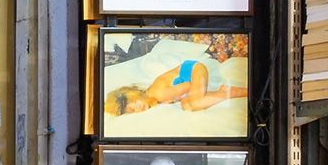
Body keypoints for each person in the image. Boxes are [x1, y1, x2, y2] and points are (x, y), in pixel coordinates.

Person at [104, 55, 248, 118]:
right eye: (131, 110)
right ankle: (222, 91)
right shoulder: (152, 96)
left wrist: (174, 98)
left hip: (194, 69)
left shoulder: (158, 94)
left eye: (134, 102)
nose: (138, 108)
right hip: (189, 72)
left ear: (136, 94)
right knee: (187, 105)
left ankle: (231, 92)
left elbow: (188, 85)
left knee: (194, 103)